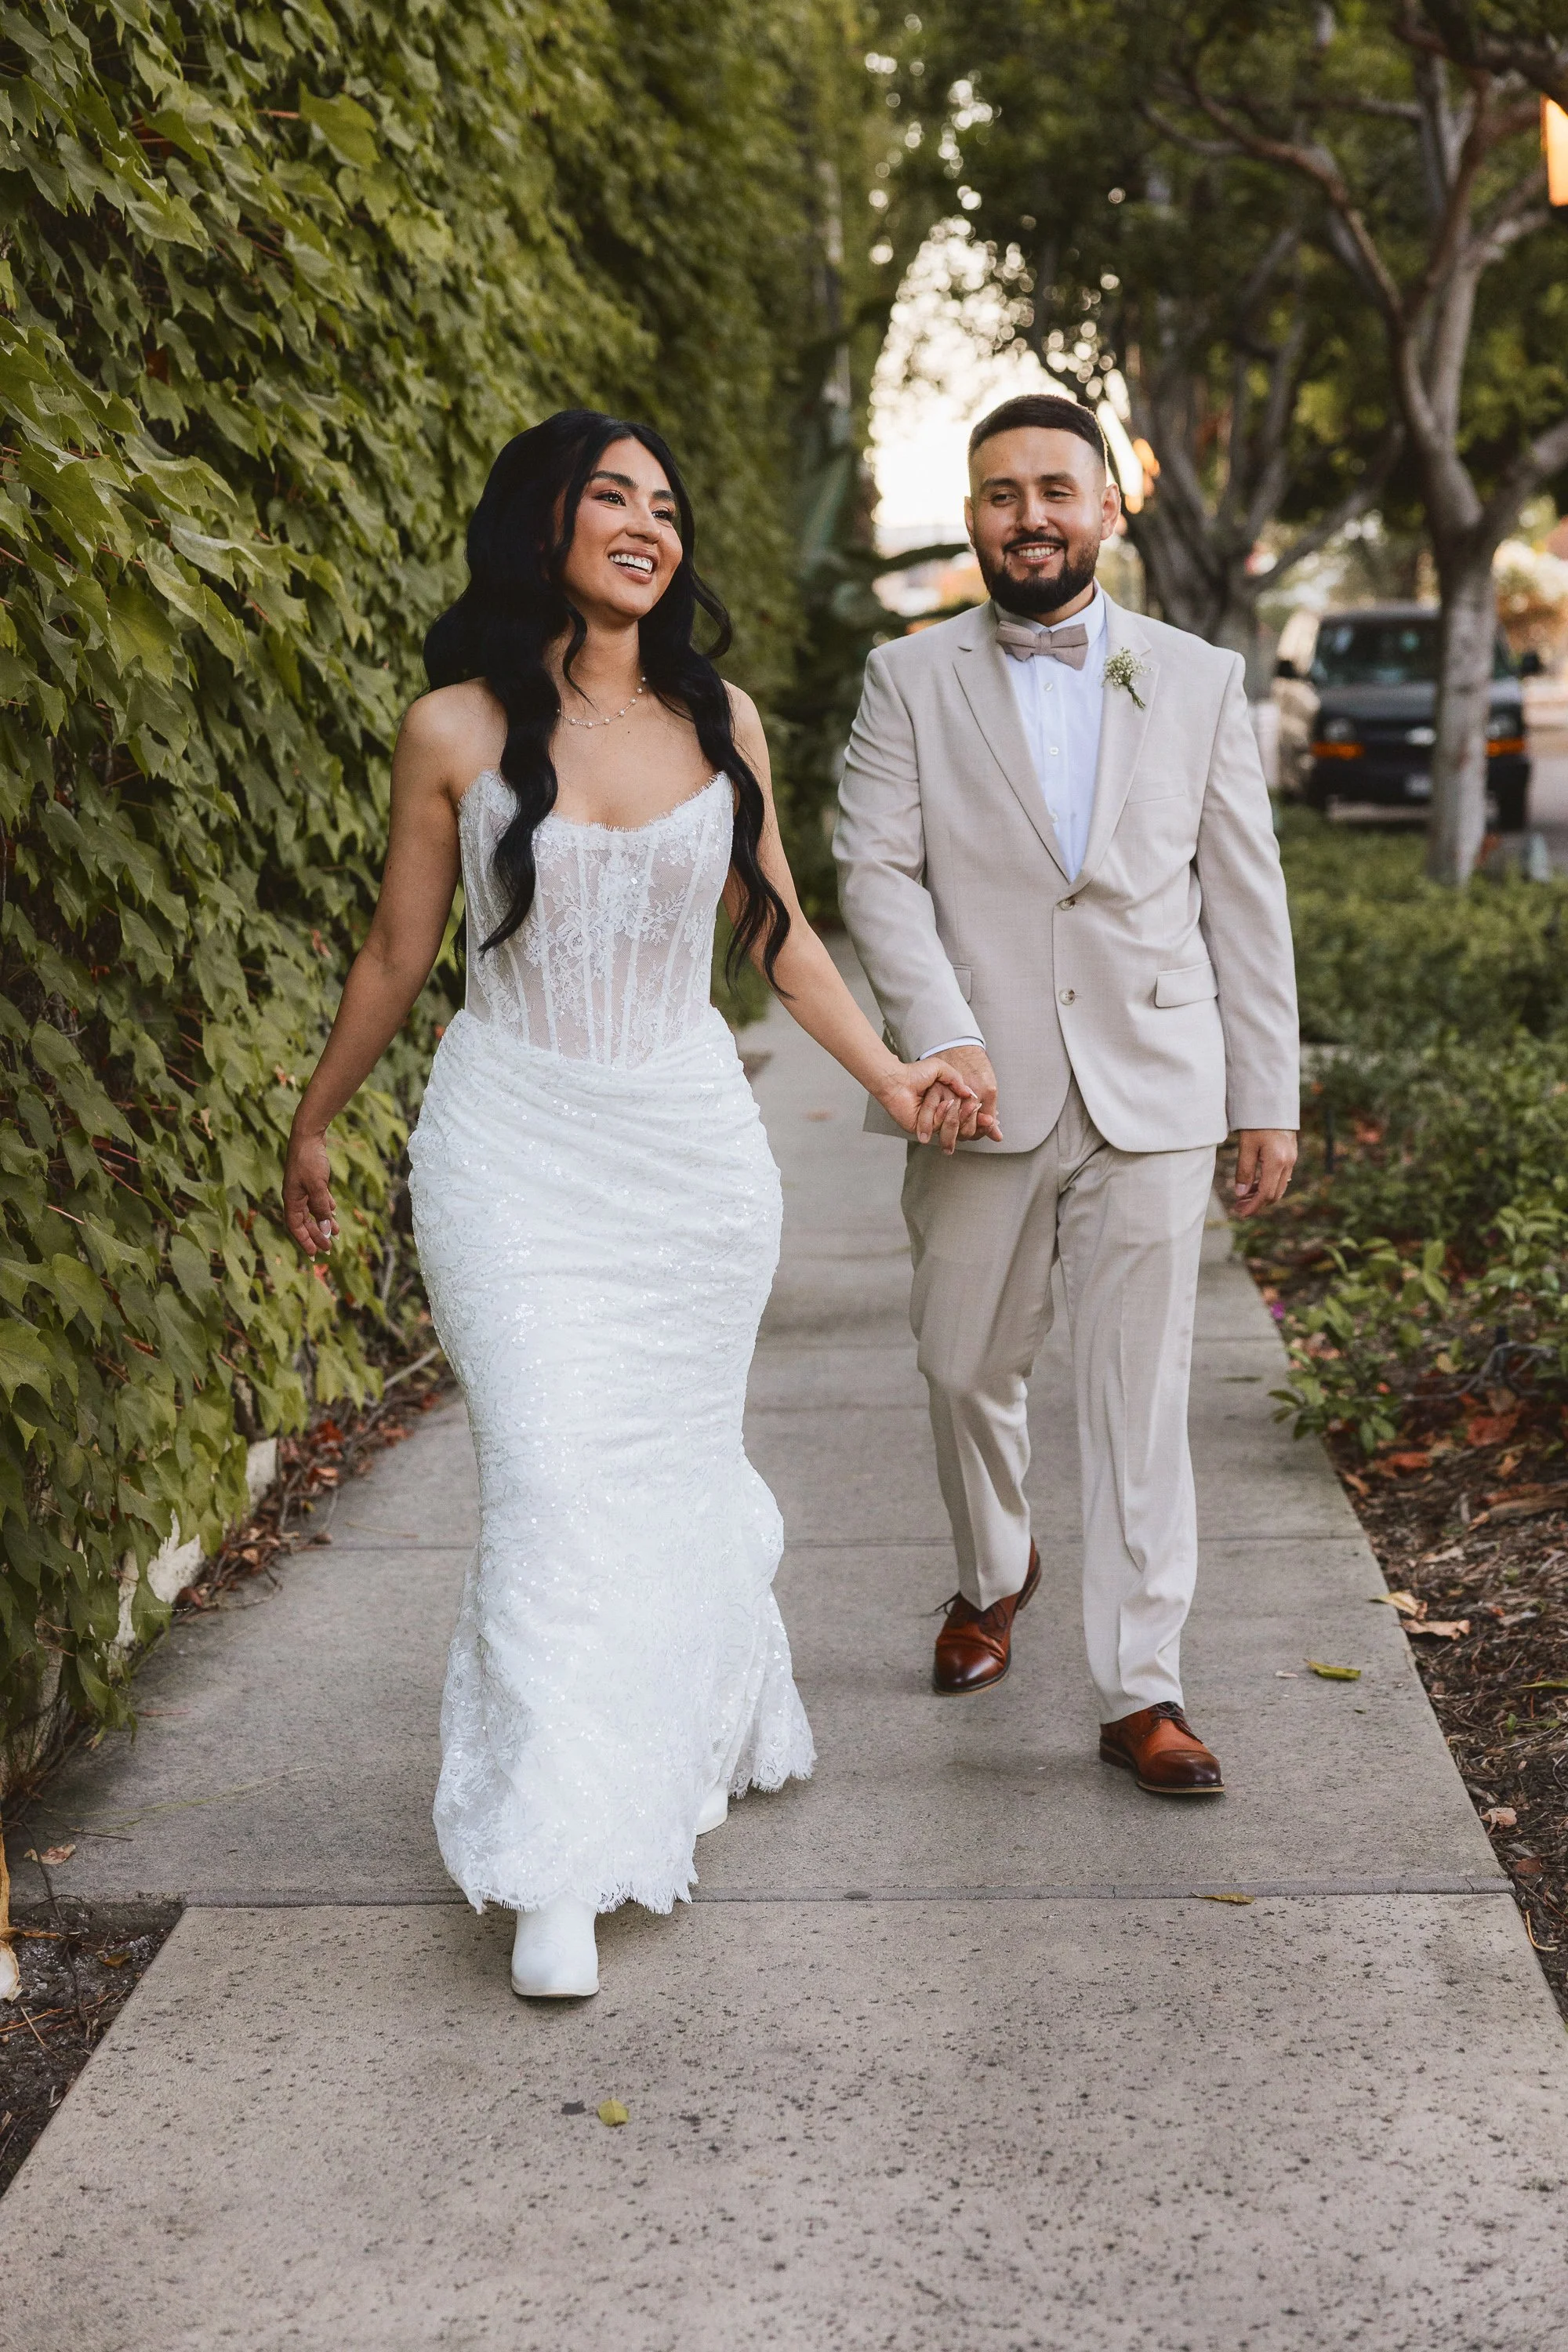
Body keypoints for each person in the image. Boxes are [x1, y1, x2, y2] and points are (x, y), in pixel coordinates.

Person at [282, 411, 989, 1998]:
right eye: (611, 496)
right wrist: (315, 1126)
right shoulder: (451, 728)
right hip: (509, 1148)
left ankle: (693, 1709)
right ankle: (555, 1863)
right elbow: (399, 955)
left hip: (686, 1165)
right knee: (545, 1481)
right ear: (542, 522)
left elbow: (782, 934)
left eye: (665, 506)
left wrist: (890, 1075)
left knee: (662, 1473)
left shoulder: (718, 716)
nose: (644, 525)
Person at [834, 393, 1299, 1795]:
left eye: (1055, 488)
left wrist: (1263, 1091)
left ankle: (1142, 1689)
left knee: (1139, 1393)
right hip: (977, 1092)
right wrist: (943, 1038)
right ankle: (997, 1567)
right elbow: (875, 877)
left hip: (1157, 1087)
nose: (1028, 515)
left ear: (1107, 508)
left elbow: (1244, 892)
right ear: (971, 517)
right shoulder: (906, 679)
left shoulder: (1200, 677)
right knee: (962, 1363)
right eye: (999, 493)